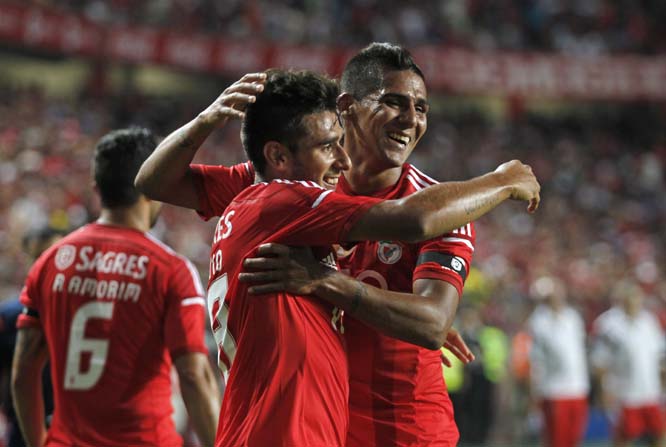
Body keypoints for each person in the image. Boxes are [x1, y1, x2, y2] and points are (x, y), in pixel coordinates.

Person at [136, 67, 539, 446]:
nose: (409, 119)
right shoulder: (286, 196)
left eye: (420, 107)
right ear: (351, 109)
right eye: (394, 103)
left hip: (360, 424)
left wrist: (346, 291)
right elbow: (414, 219)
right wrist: (501, 181)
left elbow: (430, 322)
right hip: (292, 428)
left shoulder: (260, 196)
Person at [11, 128, 220, 447]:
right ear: (155, 183)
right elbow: (193, 376)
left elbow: (24, 370)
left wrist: (39, 441)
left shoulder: (51, 262)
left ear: (97, 188)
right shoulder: (170, 270)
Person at [0, 226, 65, 447]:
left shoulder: (84, 313)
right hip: (23, 431)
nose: (46, 264)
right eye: (38, 257)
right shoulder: (7, 318)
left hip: (72, 429)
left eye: (54, 256)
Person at [591, 279, 665, 447]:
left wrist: (662, 384)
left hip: (650, 391)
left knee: (659, 435)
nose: (634, 299)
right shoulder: (609, 324)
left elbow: (659, 357)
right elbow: (600, 362)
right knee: (624, 438)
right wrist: (604, 392)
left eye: (637, 296)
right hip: (625, 394)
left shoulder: (648, 321)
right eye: (630, 296)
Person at [527, 276, 590, 447]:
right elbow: (536, 360)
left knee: (574, 439)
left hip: (577, 387)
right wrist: (536, 390)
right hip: (554, 389)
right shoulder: (539, 321)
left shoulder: (572, 317)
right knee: (556, 440)